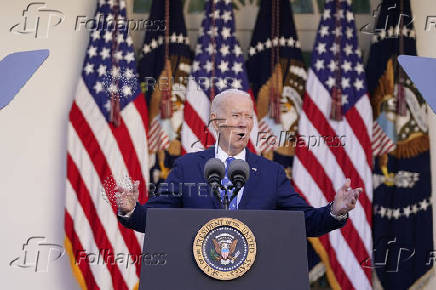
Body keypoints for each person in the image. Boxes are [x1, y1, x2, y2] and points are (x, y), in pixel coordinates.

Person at [117, 89, 362, 237]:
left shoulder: (271, 173)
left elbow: (304, 222)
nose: (244, 123)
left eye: (248, 116)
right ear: (215, 121)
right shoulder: (187, 167)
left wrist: (334, 210)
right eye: (236, 116)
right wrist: (131, 210)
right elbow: (158, 218)